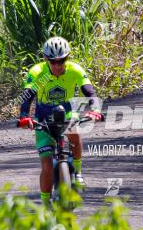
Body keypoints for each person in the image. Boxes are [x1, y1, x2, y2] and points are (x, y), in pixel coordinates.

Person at [17, 37, 103, 206]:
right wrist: (24, 116)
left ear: (67, 58)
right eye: (53, 62)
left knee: (74, 129)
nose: (57, 65)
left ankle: (77, 172)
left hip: (68, 114)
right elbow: (27, 96)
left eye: (62, 61)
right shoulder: (37, 72)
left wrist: (96, 111)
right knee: (47, 165)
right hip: (43, 119)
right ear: (45, 59)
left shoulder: (75, 70)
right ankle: (45, 205)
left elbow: (90, 93)